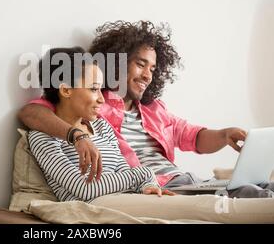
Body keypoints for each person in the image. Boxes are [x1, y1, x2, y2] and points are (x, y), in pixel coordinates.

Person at [19, 20, 274, 198]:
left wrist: (224, 135)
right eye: (140, 64)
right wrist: (77, 136)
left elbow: (191, 135)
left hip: (184, 180)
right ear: (117, 63)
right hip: (161, 186)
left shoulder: (153, 109)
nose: (148, 75)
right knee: (254, 195)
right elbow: (33, 113)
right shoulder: (94, 103)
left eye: (153, 68)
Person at [27, 46, 176, 202]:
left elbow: (123, 170)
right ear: (66, 91)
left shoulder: (101, 127)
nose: (102, 99)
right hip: (93, 207)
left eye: (100, 89)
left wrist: (148, 186)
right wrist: (143, 174)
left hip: (127, 200)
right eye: (93, 89)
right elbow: (84, 189)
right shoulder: (43, 138)